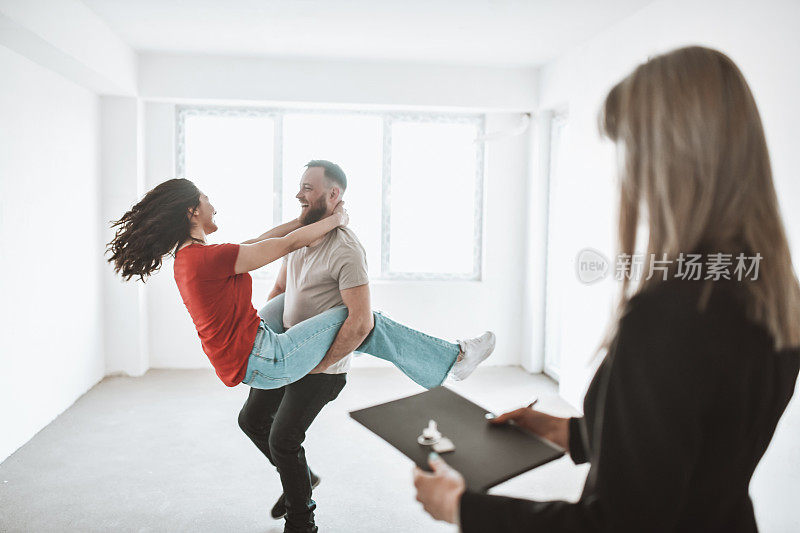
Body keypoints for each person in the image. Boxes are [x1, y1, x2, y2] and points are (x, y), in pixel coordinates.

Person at [412, 46, 800, 532]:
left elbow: (615, 524)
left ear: (671, 158)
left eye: (632, 149)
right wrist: (569, 433)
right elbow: (696, 437)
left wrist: (462, 507)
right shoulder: (772, 293)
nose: (629, 175)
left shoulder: (668, 315)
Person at [106, 174, 496, 532]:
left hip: (245, 350)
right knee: (357, 316)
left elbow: (261, 241)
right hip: (266, 358)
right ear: (193, 211)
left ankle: (302, 475)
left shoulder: (191, 258)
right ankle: (454, 358)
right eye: (206, 199)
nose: (213, 205)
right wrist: (334, 220)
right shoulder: (211, 258)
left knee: (288, 312)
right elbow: (285, 246)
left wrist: (299, 221)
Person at [235, 160, 380, 532]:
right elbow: (282, 290)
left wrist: (321, 366)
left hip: (321, 367)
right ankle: (302, 478)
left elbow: (360, 322)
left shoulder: (347, 250)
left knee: (283, 438)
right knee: (251, 421)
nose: (299, 195)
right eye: (300, 187)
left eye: (308, 188)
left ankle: (302, 521)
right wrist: (270, 344)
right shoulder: (301, 239)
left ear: (334, 195)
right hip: (286, 356)